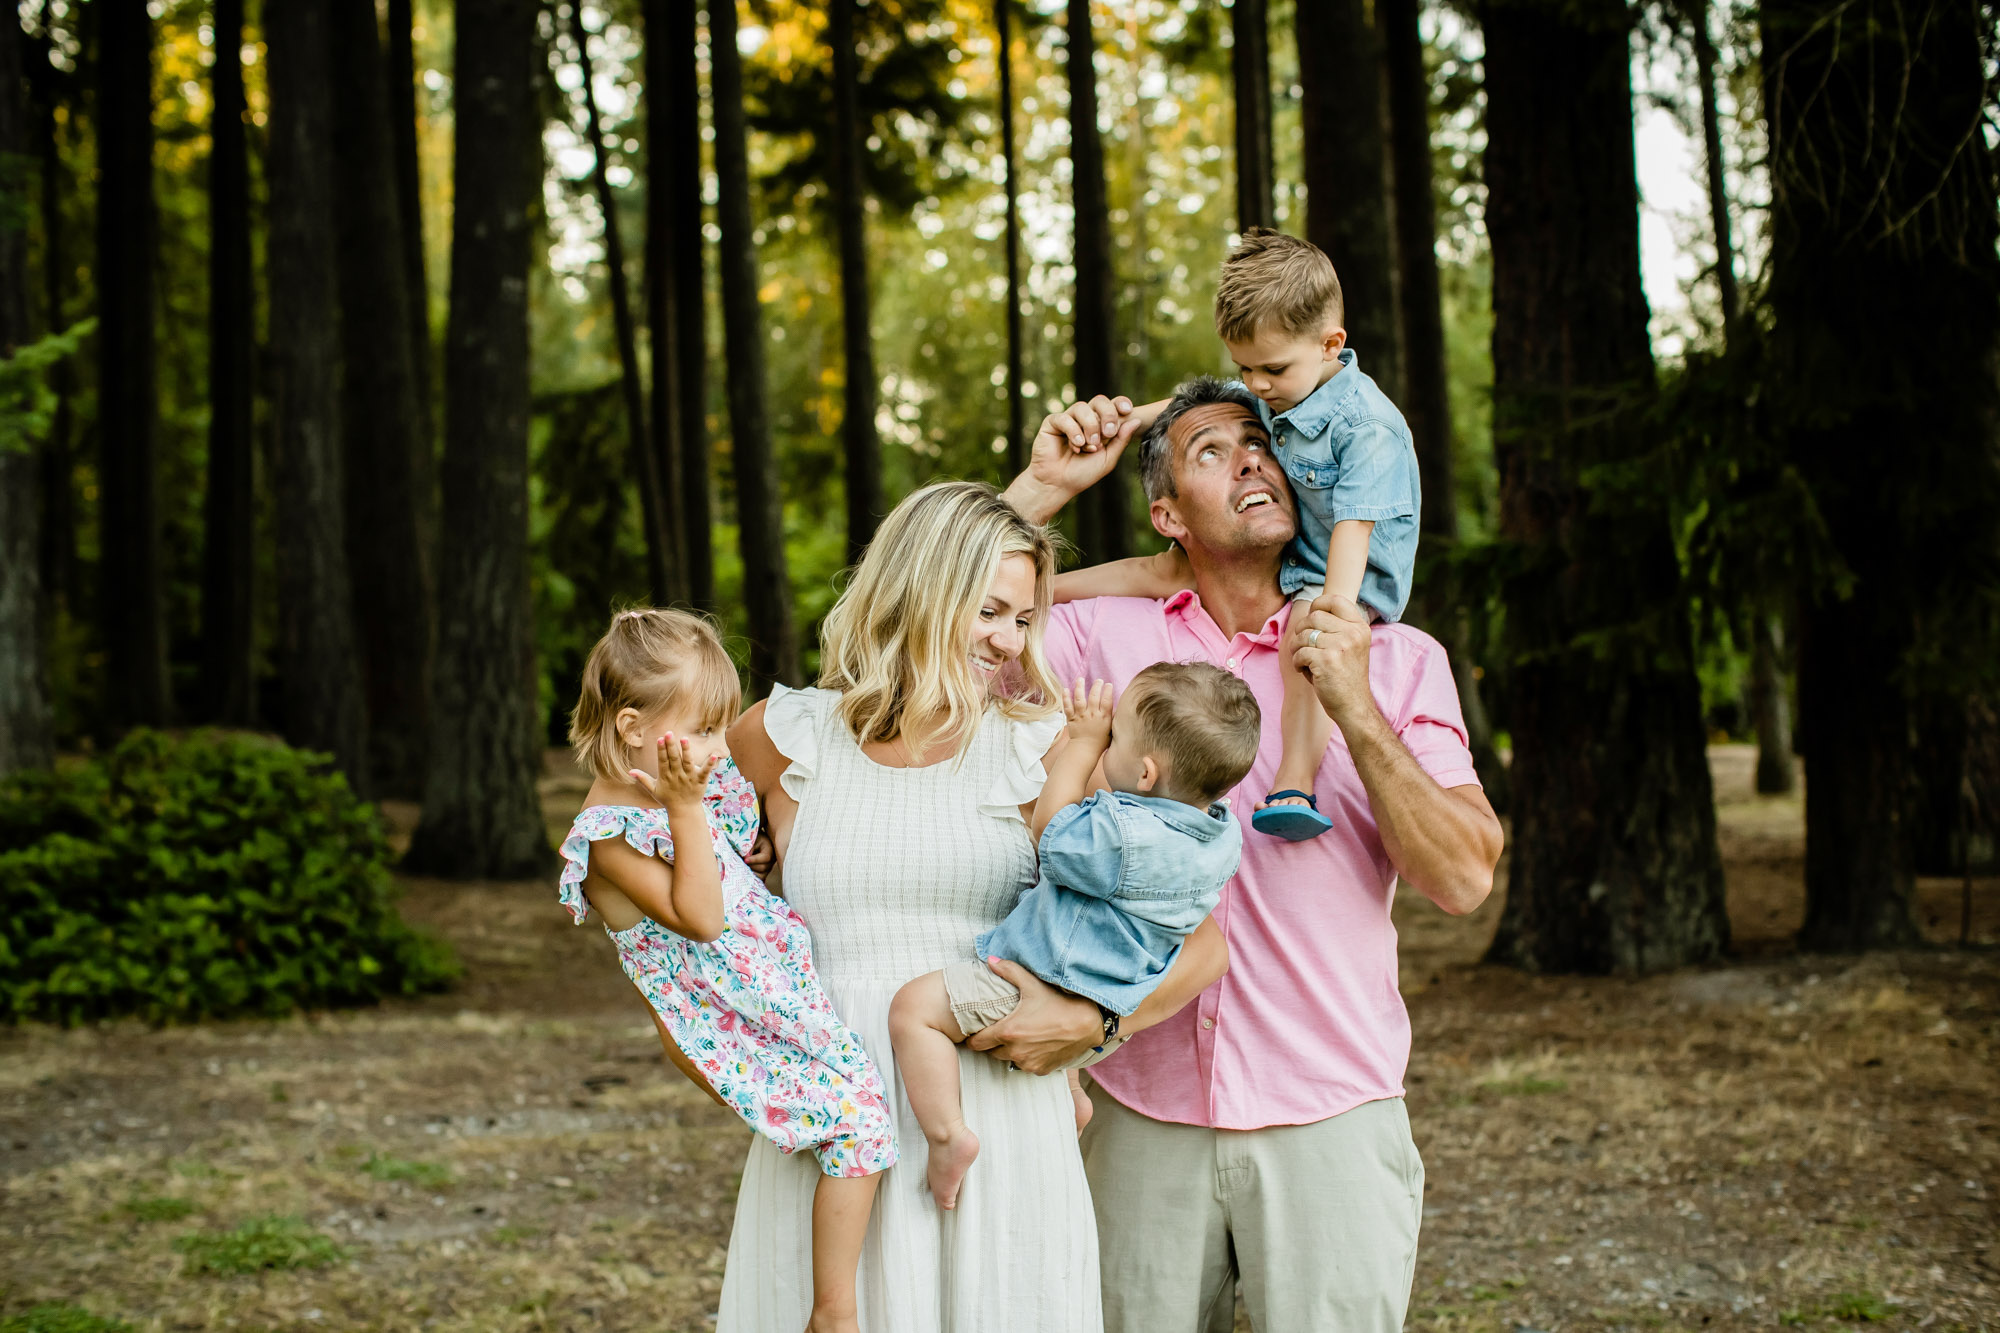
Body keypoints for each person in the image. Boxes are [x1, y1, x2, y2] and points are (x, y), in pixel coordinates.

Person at [999, 379, 1505, 1332]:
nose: (1251, 460)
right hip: (1131, 1115)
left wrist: (1350, 701)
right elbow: (917, 635)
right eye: (1210, 450)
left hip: (1331, 1119)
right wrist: (1039, 489)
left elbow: (1466, 876)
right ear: (1165, 514)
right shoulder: (1090, 637)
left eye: (1260, 443)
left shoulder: (1396, 658)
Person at [718, 481, 1229, 1333]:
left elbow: (1201, 943)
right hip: (829, 1130)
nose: (1010, 640)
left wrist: (1089, 1025)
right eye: (989, 610)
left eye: (1024, 619)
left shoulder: (1045, 751)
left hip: (1000, 1125)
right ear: (919, 591)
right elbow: (661, 854)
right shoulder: (783, 734)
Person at [554, 608, 895, 1333]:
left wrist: (748, 843)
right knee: (859, 1122)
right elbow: (701, 916)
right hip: (722, 1018)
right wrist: (684, 807)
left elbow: (732, 843)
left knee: (859, 1111)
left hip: (768, 992)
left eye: (720, 727)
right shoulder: (608, 832)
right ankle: (833, 1310)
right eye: (704, 729)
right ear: (631, 726)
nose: (716, 749)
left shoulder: (680, 790)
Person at [1053, 229, 1421, 842]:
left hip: (1347, 569)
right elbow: (1207, 398)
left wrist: (1333, 614)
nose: (1257, 385)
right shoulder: (1282, 382)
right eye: (1244, 367)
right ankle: (1039, 585)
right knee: (1164, 571)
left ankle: (1294, 781)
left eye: (1269, 369)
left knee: (1307, 644)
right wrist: (1136, 419)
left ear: (1331, 344)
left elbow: (1355, 533)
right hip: (1304, 547)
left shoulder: (1368, 429)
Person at [888, 662, 1259, 1211]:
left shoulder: (1121, 837)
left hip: (1048, 986)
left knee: (911, 1010)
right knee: (1061, 1073)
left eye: (1119, 735)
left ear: (1148, 774)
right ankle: (1074, 1100)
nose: (1107, 735)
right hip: (1113, 1005)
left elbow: (1050, 831)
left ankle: (947, 1136)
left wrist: (1083, 744)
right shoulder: (1220, 836)